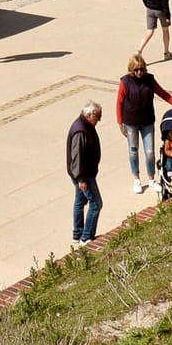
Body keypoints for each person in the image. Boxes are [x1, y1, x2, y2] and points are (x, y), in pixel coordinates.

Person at [116, 55, 172, 195]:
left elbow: (164, 94)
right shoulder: (125, 82)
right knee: (133, 151)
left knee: (150, 152)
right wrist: (120, 122)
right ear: (131, 70)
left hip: (147, 121)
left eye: (141, 69)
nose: (139, 72)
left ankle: (151, 179)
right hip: (131, 122)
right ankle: (136, 179)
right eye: (136, 70)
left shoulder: (149, 80)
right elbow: (119, 103)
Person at [67, 101, 103, 247]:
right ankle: (86, 236)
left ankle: (78, 233)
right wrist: (81, 179)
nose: (99, 121)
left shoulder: (85, 125)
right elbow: (77, 157)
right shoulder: (81, 131)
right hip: (83, 175)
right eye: (98, 117)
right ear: (89, 115)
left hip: (83, 174)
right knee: (96, 204)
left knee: (80, 201)